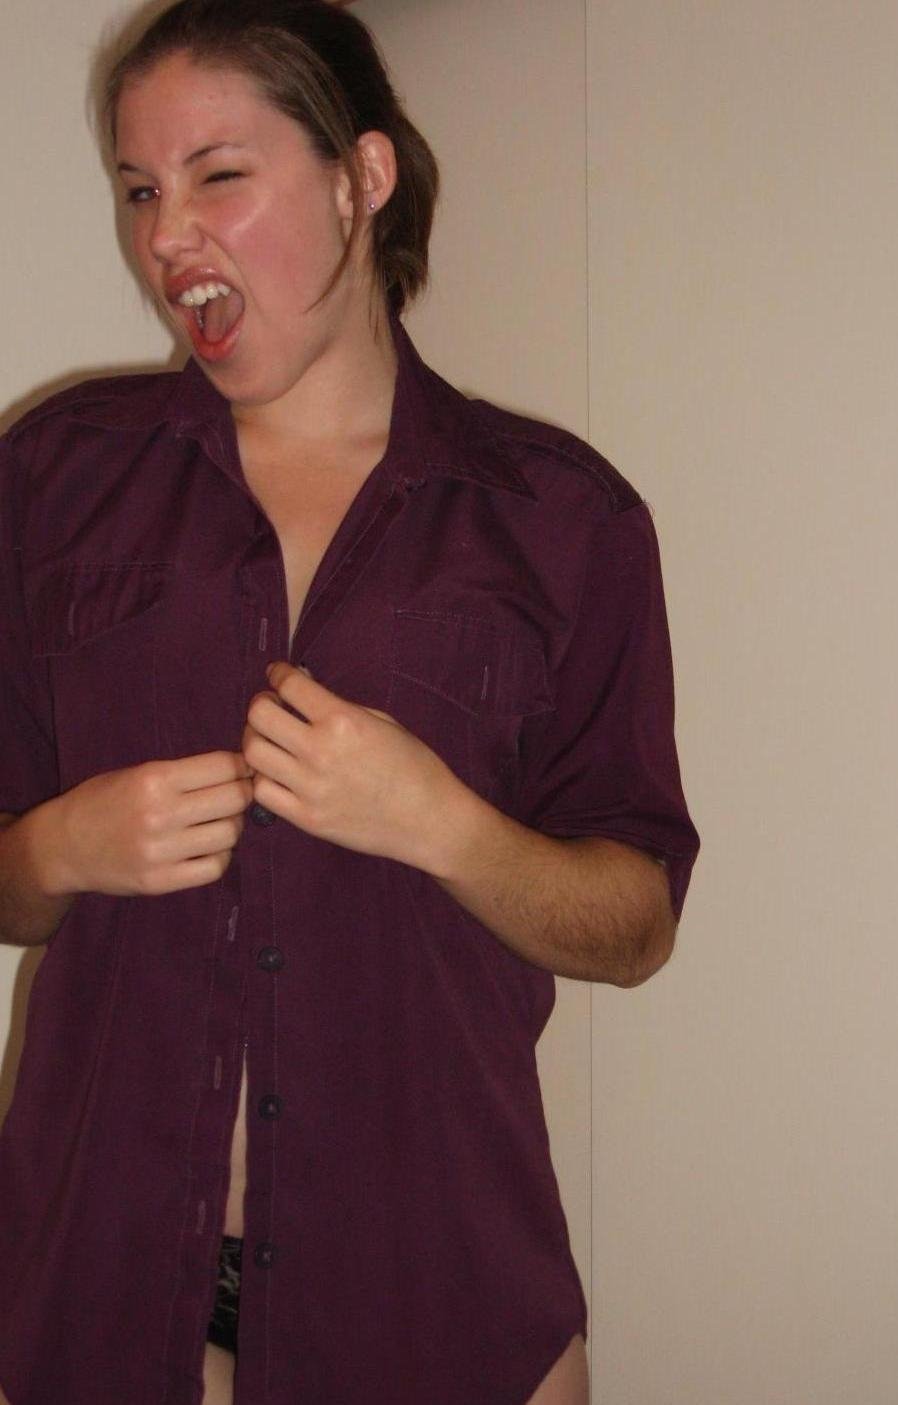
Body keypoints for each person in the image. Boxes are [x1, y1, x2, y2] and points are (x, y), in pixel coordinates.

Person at [0, 1, 699, 1402]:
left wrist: (443, 824)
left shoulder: (563, 520)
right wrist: (62, 846)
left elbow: (634, 928)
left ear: (360, 177)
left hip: (439, 1308)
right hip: (99, 1297)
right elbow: (7, 890)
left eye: (217, 175)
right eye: (139, 191)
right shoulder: (51, 480)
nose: (166, 238)